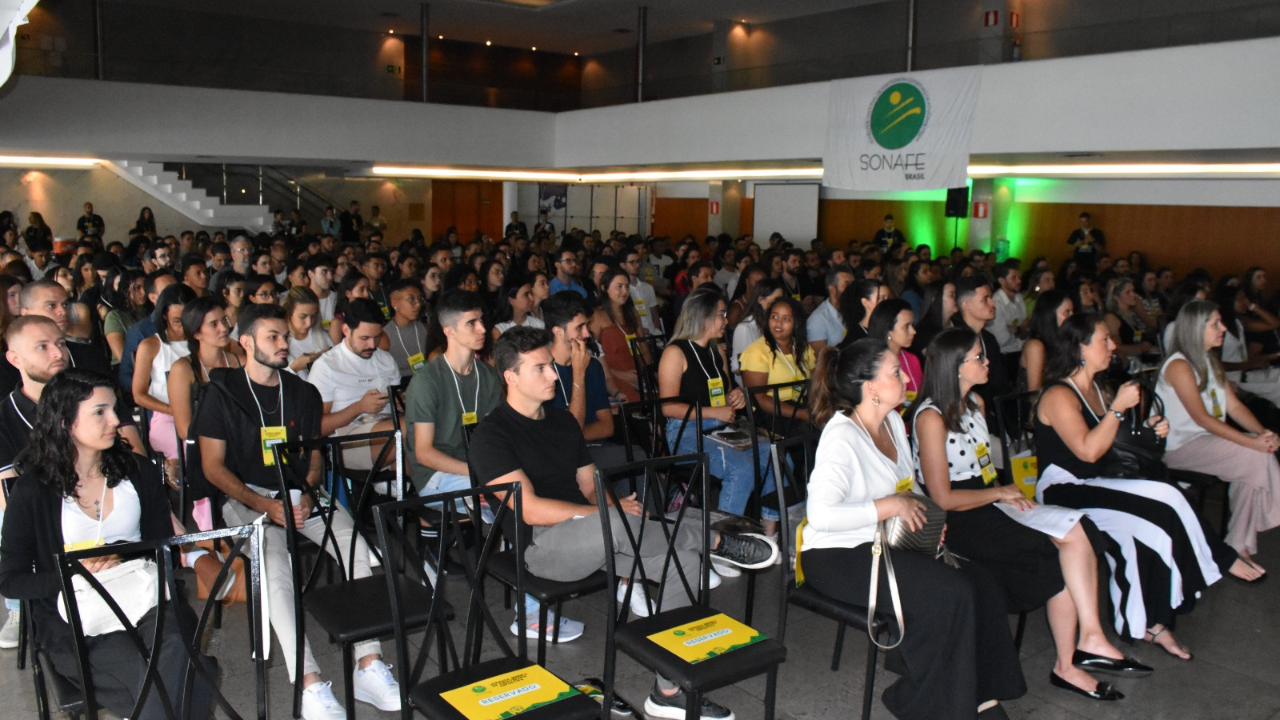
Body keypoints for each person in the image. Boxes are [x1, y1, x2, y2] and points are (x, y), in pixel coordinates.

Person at [471, 326, 776, 720]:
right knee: (617, 525)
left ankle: (668, 689)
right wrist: (606, 515)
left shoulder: (562, 422)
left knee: (679, 561)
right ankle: (713, 537)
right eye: (541, 368)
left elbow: (589, 484)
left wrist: (615, 507)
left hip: (598, 533)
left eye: (552, 365)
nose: (553, 375)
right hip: (542, 548)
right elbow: (528, 509)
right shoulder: (491, 435)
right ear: (510, 377)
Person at [914, 328, 1144, 702]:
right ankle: (1073, 659)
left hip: (990, 503)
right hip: (958, 520)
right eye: (979, 358)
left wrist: (1005, 495)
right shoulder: (931, 418)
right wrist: (1000, 493)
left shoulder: (974, 403)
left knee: (1079, 526)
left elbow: (987, 470)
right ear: (955, 367)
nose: (989, 362)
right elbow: (942, 499)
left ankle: (1087, 641)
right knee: (1056, 551)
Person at [195, 303, 400, 718]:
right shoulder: (222, 393)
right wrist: (265, 506)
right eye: (273, 336)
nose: (284, 343)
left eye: (285, 336)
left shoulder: (301, 392)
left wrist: (308, 491)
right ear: (247, 342)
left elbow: (314, 454)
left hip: (299, 492)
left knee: (355, 547)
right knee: (274, 570)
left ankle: (369, 663)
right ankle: (308, 683)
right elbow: (212, 467)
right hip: (246, 497)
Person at [802, 338, 1023, 720]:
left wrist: (930, 516)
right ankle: (928, 702)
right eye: (895, 372)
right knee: (948, 593)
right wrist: (893, 505)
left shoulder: (890, 421)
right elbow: (821, 516)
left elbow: (910, 486)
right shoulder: (841, 437)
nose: (907, 377)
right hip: (837, 555)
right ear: (870, 388)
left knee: (980, 583)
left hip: (885, 542)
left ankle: (978, 693)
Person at [1034, 312, 1263, 660]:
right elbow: (1088, 449)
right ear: (1080, 347)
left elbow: (1113, 445)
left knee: (1150, 526)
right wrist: (1116, 411)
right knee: (1167, 496)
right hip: (1065, 488)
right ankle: (1221, 557)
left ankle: (1150, 625)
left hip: (1098, 480)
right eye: (1104, 340)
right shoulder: (1058, 395)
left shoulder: (1097, 387)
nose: (1113, 346)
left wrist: (1149, 430)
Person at [0, 369, 215, 720]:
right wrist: (71, 575)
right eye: (100, 412)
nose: (116, 420)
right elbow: (10, 579)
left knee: (175, 649)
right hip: (74, 618)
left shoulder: (140, 472)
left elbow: (163, 551)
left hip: (147, 596)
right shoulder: (33, 491)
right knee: (164, 672)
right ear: (65, 420)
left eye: (115, 409)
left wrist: (121, 550)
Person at [1157, 300, 1280, 565]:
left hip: (1205, 441)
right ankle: (1240, 542)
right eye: (1215, 323)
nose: (1223, 327)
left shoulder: (1210, 362)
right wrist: (1254, 443)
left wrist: (1263, 433)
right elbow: (1201, 418)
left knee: (1255, 459)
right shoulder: (1178, 366)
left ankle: (1239, 545)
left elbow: (1234, 407)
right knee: (1254, 456)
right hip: (1178, 448)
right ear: (1195, 329)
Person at [658, 287, 774, 524]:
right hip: (685, 433)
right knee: (741, 468)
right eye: (721, 314)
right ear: (704, 316)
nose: (727, 319)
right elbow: (667, 408)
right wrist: (714, 412)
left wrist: (736, 396)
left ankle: (768, 533)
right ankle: (724, 542)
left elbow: (725, 393)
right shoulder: (675, 352)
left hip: (720, 428)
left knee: (773, 454)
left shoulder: (715, 352)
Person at [306, 299, 400, 472]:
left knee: (421, 429)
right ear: (346, 330)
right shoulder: (327, 366)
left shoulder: (385, 360)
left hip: (387, 428)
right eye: (364, 338)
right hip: (345, 439)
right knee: (408, 430)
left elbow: (399, 405)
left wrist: (401, 402)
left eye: (377, 337)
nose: (372, 345)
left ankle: (432, 488)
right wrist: (359, 407)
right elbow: (317, 428)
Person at [132, 284, 197, 475]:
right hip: (167, 417)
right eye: (177, 321)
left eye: (189, 320)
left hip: (201, 414)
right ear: (164, 317)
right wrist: (173, 410)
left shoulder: (202, 342)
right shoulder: (151, 345)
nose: (184, 327)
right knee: (193, 449)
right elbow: (139, 394)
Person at [167, 296, 243, 445]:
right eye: (213, 324)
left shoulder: (241, 362)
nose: (223, 328)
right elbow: (184, 430)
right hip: (205, 446)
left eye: (224, 321)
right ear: (196, 333)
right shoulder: (182, 369)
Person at [740, 295, 815, 428]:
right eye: (774, 317)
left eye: (786, 319)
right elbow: (759, 399)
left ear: (796, 323)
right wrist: (801, 414)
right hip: (771, 416)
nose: (778, 323)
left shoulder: (802, 348)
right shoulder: (757, 351)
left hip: (802, 406)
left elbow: (816, 382)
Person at [953, 276, 1011, 415]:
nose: (993, 302)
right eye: (985, 299)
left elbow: (1000, 382)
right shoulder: (954, 341)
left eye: (990, 297)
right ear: (966, 305)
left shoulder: (988, 339)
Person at [590, 267, 647, 403]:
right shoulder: (597, 316)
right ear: (604, 288)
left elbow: (644, 347)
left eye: (627, 286)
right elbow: (593, 356)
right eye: (619, 287)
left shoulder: (632, 312)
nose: (624, 291)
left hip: (639, 376)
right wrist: (622, 375)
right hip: (614, 378)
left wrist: (644, 372)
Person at [118, 270, 177, 391]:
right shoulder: (141, 331)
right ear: (152, 297)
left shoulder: (193, 321)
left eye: (177, 288)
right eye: (167, 291)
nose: (176, 294)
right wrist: (152, 393)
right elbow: (126, 375)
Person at [866, 299, 922, 416]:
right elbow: (869, 404)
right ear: (888, 330)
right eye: (906, 326)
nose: (913, 331)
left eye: (912, 325)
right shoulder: (871, 362)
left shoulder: (912, 360)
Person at [1019, 289, 1072, 392]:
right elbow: (1034, 392)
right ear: (1050, 315)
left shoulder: (1065, 341)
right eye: (1067, 313)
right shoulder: (1035, 346)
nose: (1071, 317)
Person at [379, 279, 430, 384]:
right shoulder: (384, 336)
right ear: (394, 303)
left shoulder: (425, 329)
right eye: (411, 299)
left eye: (420, 299)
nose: (418, 304)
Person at [729, 278, 783, 376]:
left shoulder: (777, 325)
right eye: (775, 300)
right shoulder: (745, 328)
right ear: (760, 299)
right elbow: (737, 368)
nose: (779, 305)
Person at [284, 287, 332, 381]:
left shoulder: (322, 337)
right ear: (289, 312)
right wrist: (295, 367)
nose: (309, 323)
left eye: (313, 316)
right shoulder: (281, 341)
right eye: (303, 317)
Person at [1103, 277, 1154, 363]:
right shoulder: (1112, 317)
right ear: (1116, 297)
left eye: (1133, 291)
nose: (1133, 295)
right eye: (1128, 292)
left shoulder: (1130, 315)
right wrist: (1139, 348)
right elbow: (1115, 347)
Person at [991, 263, 1028, 378]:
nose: (1019, 280)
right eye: (1013, 278)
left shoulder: (1018, 297)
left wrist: (1013, 328)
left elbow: (1027, 325)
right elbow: (1002, 339)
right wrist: (1019, 329)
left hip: (1021, 349)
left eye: (1019, 277)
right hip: (1005, 356)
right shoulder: (997, 303)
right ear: (1002, 280)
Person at [807, 265, 854, 354]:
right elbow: (821, 360)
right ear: (832, 289)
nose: (852, 289)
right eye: (847, 284)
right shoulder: (817, 320)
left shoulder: (855, 310)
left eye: (853, 284)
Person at [619, 247, 660, 335]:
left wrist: (656, 331)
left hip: (652, 334)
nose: (636, 265)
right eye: (632, 262)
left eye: (638, 261)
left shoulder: (648, 287)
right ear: (622, 265)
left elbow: (654, 313)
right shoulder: (620, 290)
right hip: (634, 335)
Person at [836, 278, 890, 345]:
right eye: (881, 298)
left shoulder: (888, 327)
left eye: (888, 298)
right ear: (865, 302)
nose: (887, 302)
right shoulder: (855, 338)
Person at [325, 271, 371, 345]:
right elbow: (335, 352)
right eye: (361, 290)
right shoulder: (338, 322)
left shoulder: (371, 316)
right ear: (348, 293)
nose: (366, 294)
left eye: (368, 289)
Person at [304, 254, 337, 332]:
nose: (330, 277)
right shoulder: (300, 299)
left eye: (332, 272)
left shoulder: (336, 298)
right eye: (324, 271)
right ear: (310, 273)